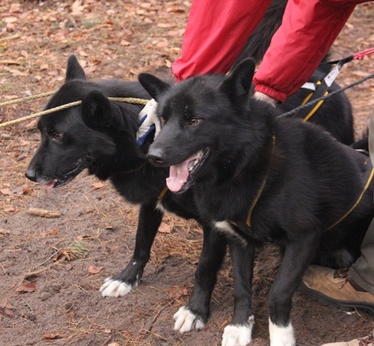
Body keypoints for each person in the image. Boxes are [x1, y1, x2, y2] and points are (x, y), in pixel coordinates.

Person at [138, 0, 374, 344]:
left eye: (190, 122)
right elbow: (224, 11)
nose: (158, 149)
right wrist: (184, 80)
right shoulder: (209, 165)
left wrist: (278, 316)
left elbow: (314, 9)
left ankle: (367, 276)